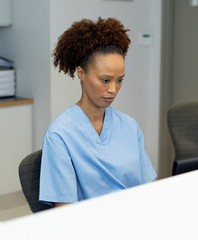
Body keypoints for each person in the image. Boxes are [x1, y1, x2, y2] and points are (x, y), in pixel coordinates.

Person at [39, 17, 157, 207]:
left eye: (119, 80)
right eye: (105, 80)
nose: (113, 89)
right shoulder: (60, 135)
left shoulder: (129, 126)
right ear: (81, 73)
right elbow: (64, 212)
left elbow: (147, 189)